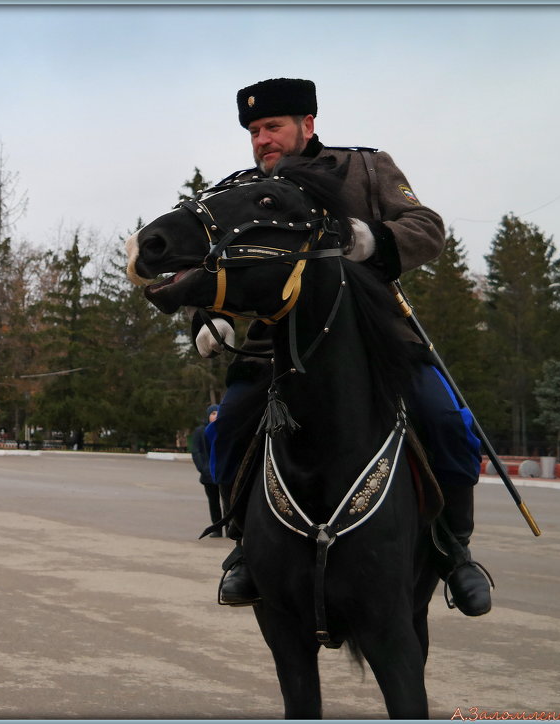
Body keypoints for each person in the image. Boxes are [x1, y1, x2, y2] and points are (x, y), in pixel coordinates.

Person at [205, 78, 491, 616]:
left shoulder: (366, 167)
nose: (261, 139)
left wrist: (371, 239)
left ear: (307, 125)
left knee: (448, 422)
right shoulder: (242, 189)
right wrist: (215, 315)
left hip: (377, 338)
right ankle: (244, 543)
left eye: (272, 127)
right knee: (229, 427)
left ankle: (455, 549)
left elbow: (427, 227)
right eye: (253, 131)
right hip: (277, 345)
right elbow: (224, 262)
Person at [189, 405, 222, 537]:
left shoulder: (225, 429)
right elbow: (196, 452)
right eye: (213, 413)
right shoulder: (200, 431)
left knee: (228, 503)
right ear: (208, 415)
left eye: (218, 413)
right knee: (214, 502)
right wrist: (203, 468)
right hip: (209, 474)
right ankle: (217, 529)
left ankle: (231, 529)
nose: (216, 416)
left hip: (224, 472)